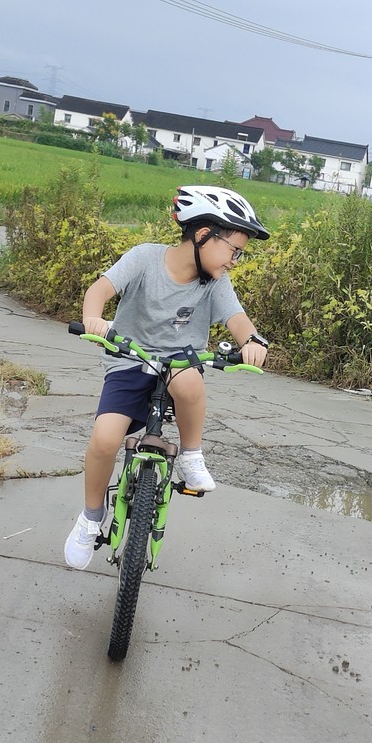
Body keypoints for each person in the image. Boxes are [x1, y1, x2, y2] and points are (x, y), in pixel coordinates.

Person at [64, 185, 271, 570]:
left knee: (188, 377)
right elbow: (100, 290)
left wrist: (252, 340)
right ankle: (91, 518)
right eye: (234, 250)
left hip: (179, 364)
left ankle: (192, 455)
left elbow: (237, 319)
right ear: (204, 234)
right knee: (105, 439)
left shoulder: (215, 283)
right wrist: (95, 316)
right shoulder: (145, 258)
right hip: (129, 361)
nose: (235, 261)